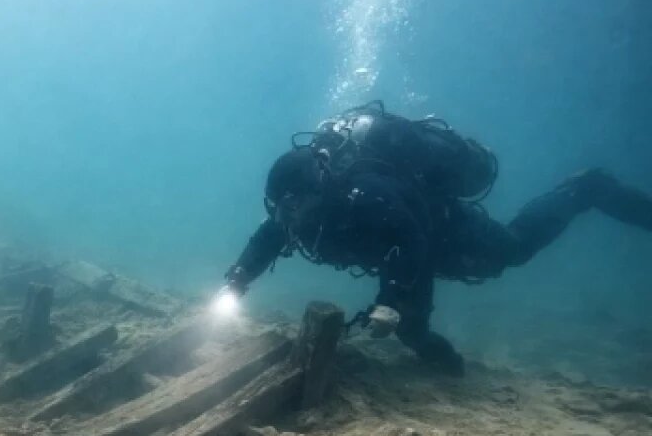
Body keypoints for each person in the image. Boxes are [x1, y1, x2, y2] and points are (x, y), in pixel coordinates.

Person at [223, 101, 652, 375]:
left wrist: (391, 302)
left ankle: (585, 188)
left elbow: (411, 243)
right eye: (282, 208)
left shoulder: (366, 193)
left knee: (512, 251)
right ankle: (424, 340)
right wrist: (239, 275)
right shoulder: (297, 211)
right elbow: (269, 236)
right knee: (413, 325)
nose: (288, 218)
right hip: (411, 242)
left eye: (293, 206)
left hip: (444, 228)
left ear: (318, 191)